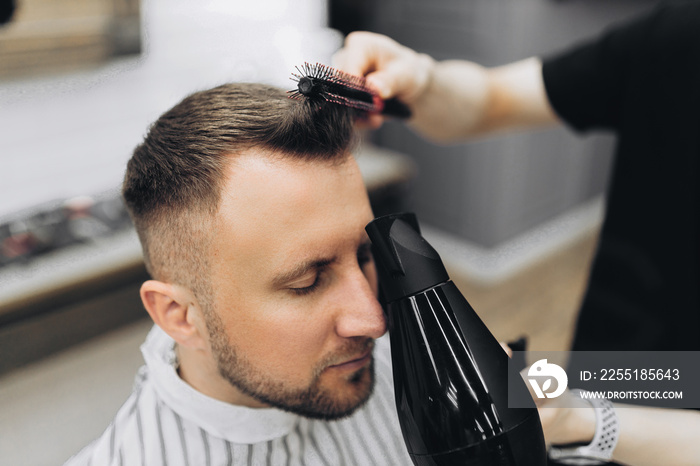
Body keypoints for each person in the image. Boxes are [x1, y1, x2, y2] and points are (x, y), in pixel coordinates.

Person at [333, 1, 700, 465]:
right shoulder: (678, 36)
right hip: (639, 364)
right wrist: (424, 77)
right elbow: (490, 98)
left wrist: (588, 421)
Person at [64, 83, 412, 465]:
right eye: (306, 283)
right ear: (179, 316)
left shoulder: (396, 363)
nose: (374, 322)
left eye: (365, 256)